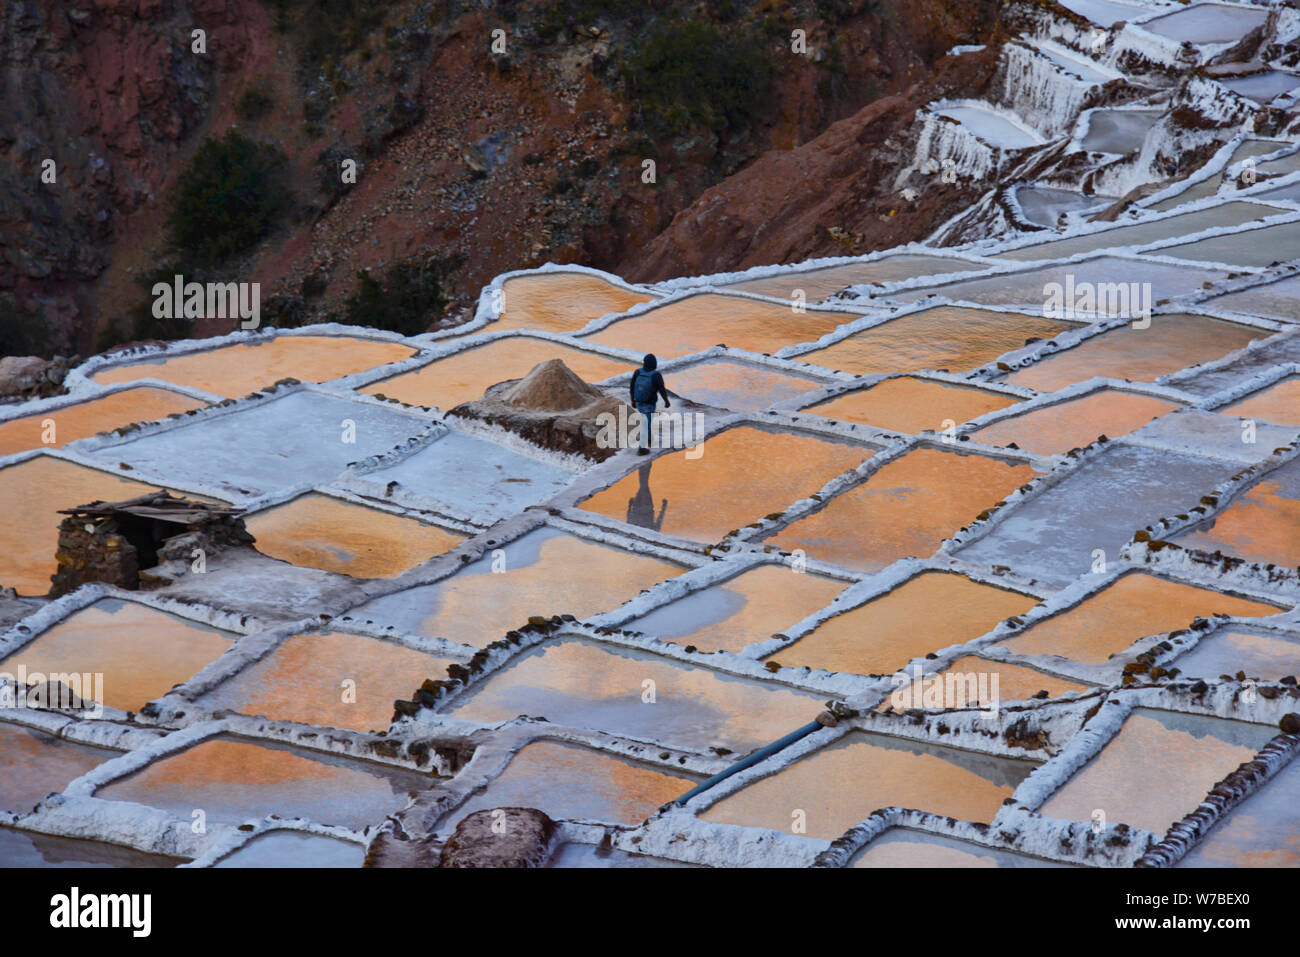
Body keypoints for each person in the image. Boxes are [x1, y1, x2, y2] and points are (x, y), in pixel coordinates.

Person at [628, 353, 670, 455]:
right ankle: (641, 449)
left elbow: (632, 387)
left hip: (639, 403)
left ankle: (650, 439)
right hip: (649, 404)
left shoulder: (638, 372)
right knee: (645, 424)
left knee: (646, 422)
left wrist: (633, 401)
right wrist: (666, 401)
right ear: (654, 363)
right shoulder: (656, 375)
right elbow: (662, 390)